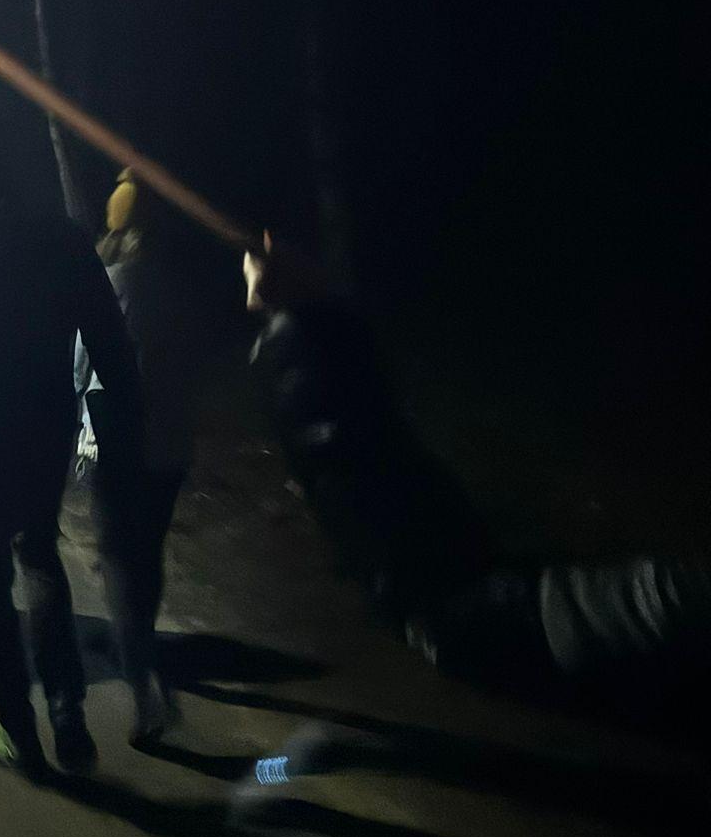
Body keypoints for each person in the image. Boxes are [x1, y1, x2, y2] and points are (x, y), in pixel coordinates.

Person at [243, 238, 709, 710]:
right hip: (476, 609)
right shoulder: (678, 601)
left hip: (481, 609)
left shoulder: (679, 605)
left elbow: (448, 601)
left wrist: (301, 321)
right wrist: (302, 322)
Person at [0, 117, 141, 777]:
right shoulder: (62, 239)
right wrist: (124, 419)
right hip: (46, 422)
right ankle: (69, 715)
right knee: (40, 556)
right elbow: (108, 337)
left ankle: (17, 727)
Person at [91, 168, 208, 744]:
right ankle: (139, 648)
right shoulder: (179, 286)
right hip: (169, 446)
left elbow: (95, 372)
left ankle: (144, 686)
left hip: (122, 445)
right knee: (146, 557)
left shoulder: (115, 285)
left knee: (118, 560)